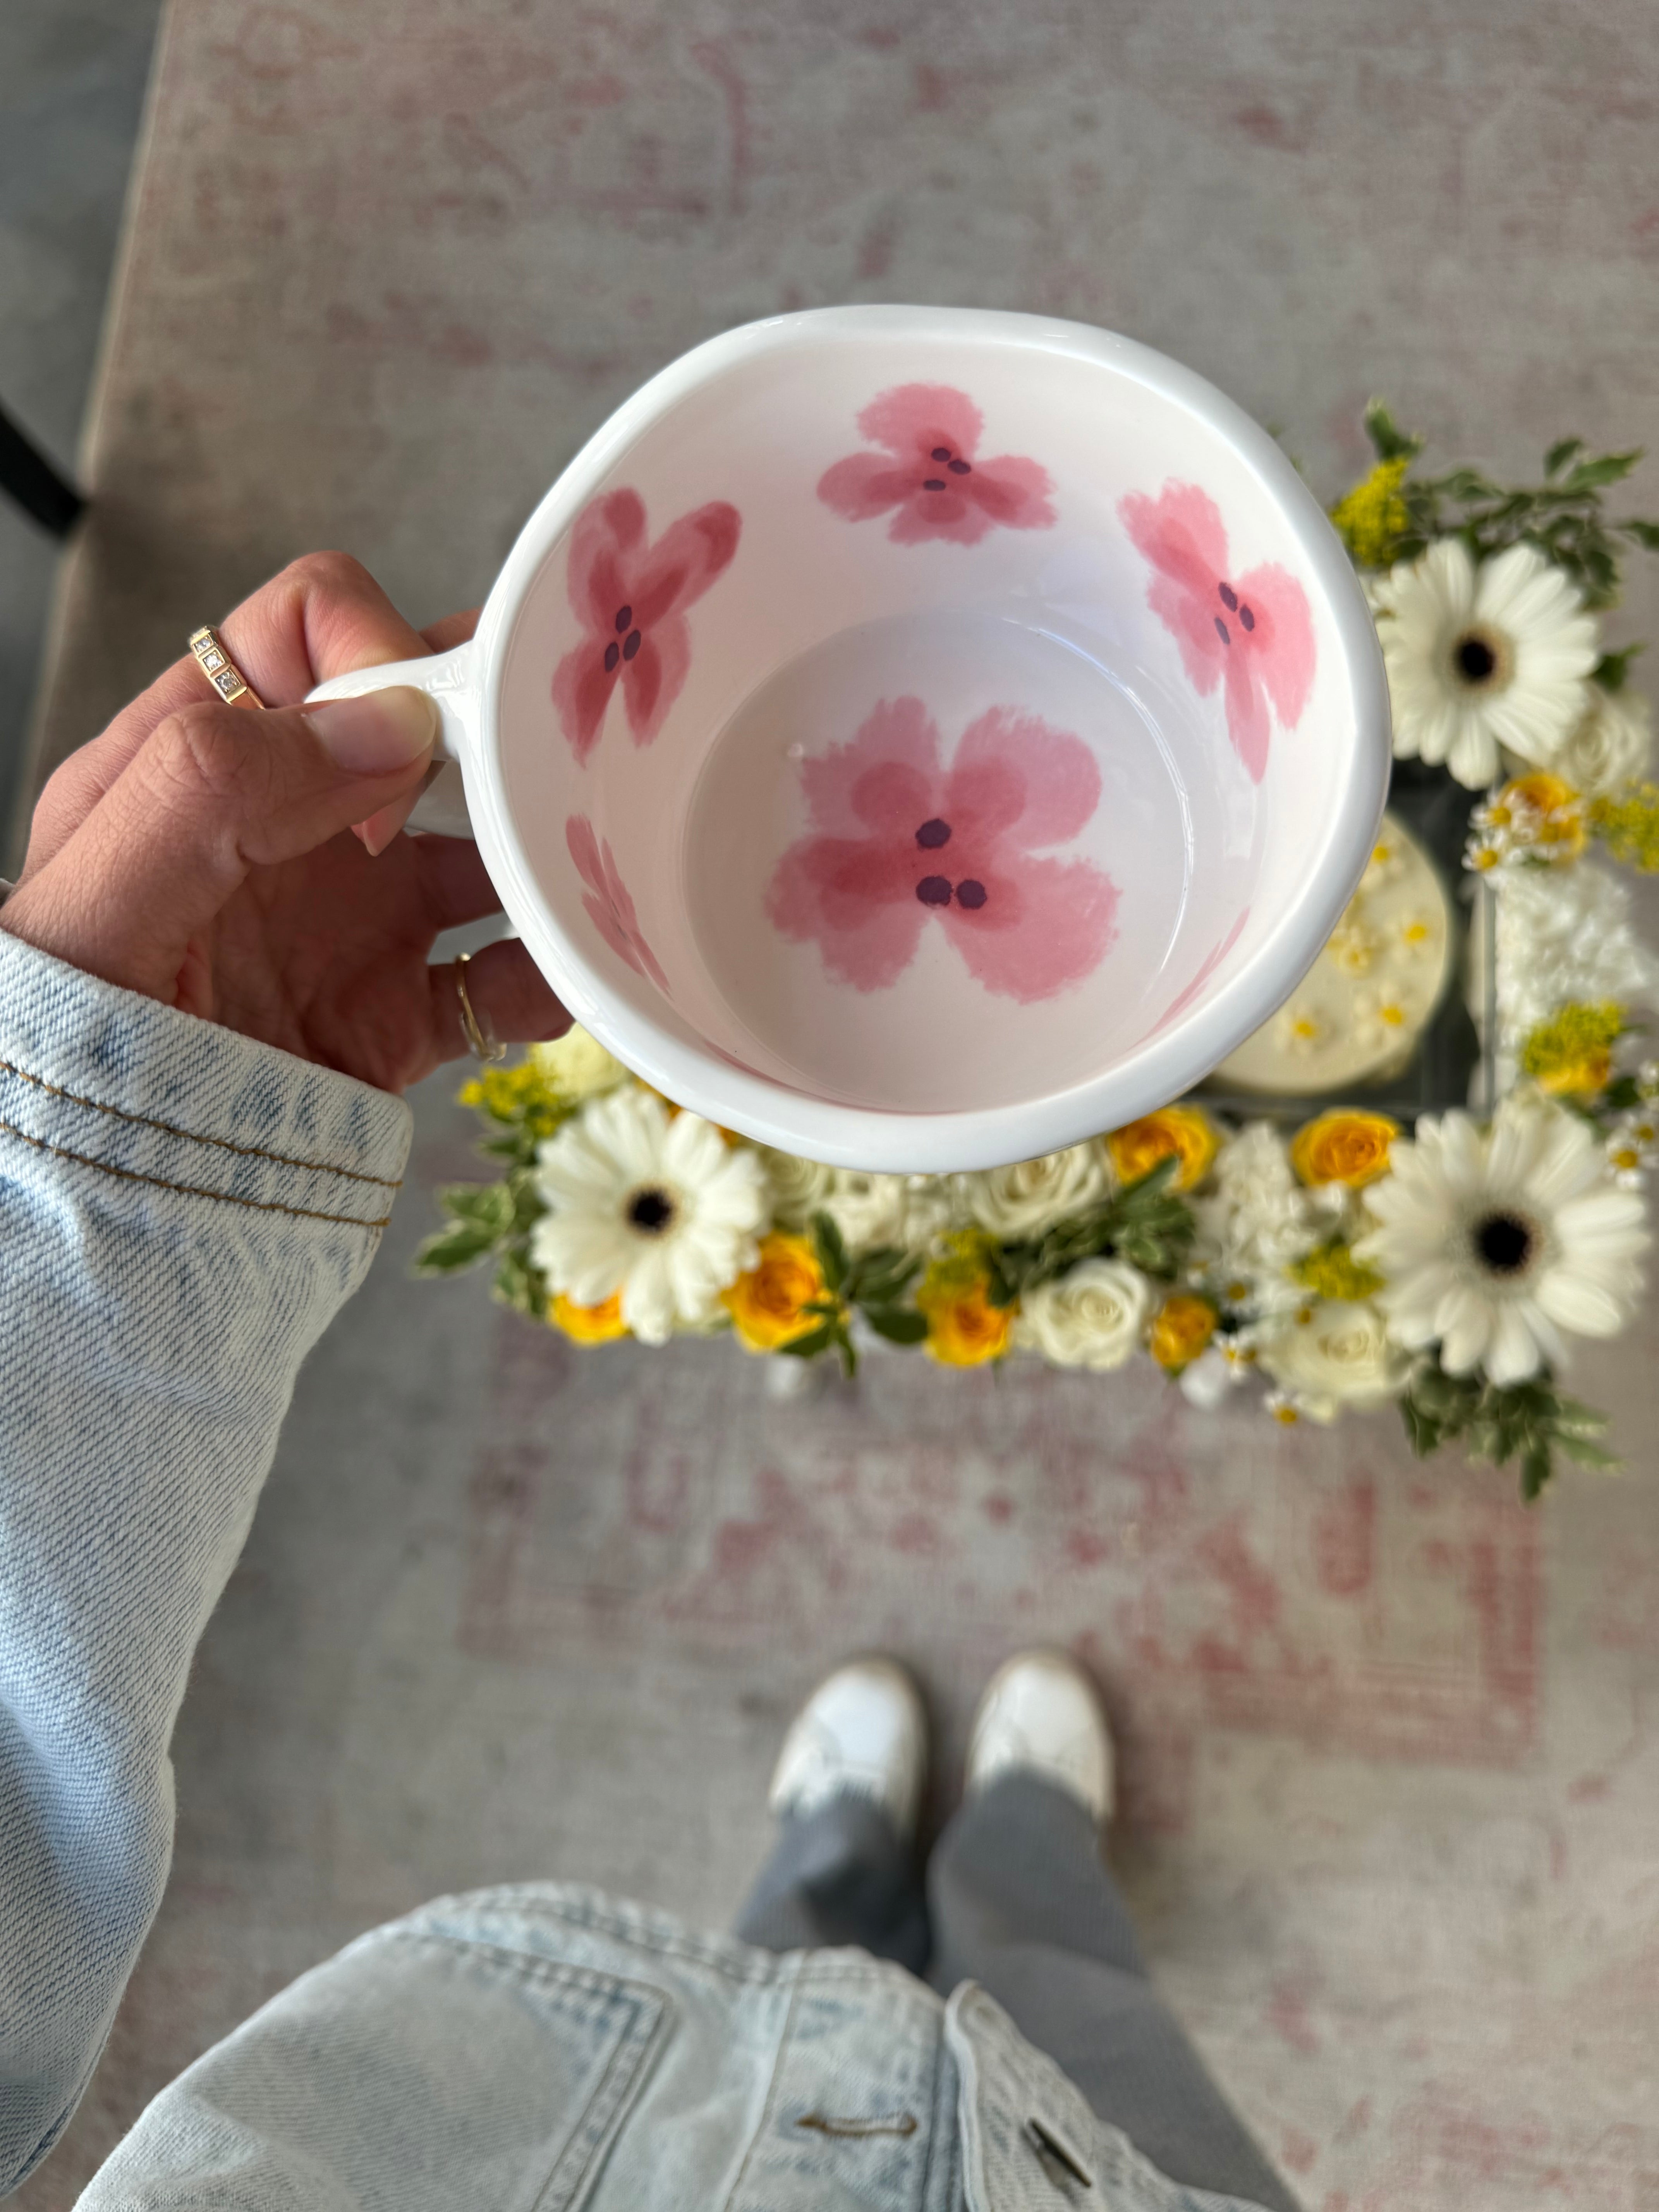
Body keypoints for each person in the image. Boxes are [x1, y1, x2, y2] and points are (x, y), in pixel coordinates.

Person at [0, 555, 1297, 2212]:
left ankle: (842, 1850)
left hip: (584, 2124)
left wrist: (115, 1179)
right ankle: (1018, 1852)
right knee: (1078, 1994)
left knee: (771, 1960)